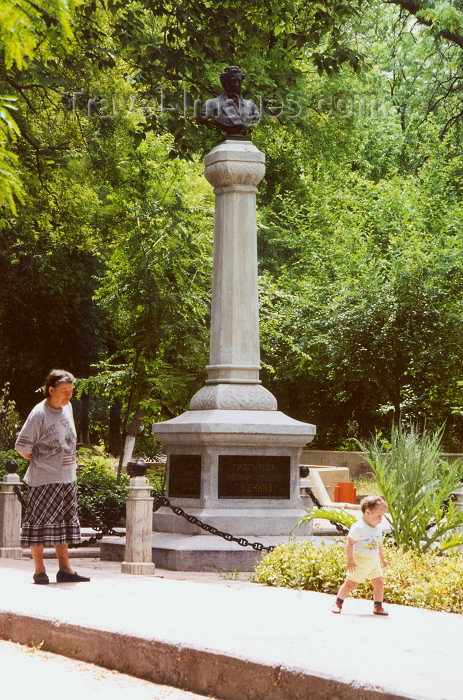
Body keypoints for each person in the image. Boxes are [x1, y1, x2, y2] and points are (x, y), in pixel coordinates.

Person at [15, 369, 90, 584]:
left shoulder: (68, 408)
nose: (68, 396)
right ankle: (39, 570)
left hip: (67, 476)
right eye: (64, 391)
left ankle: (65, 569)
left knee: (63, 524)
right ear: (50, 390)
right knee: (37, 524)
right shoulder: (39, 413)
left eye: (71, 391)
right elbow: (22, 448)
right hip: (44, 478)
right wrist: (44, 461)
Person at [332, 495, 388, 615]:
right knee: (350, 584)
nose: (381, 519)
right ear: (368, 512)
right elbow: (350, 543)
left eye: (382, 516)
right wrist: (350, 560)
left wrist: (382, 558)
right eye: (379, 515)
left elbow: (378, 544)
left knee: (379, 583)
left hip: (373, 562)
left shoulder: (378, 528)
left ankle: (378, 606)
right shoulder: (358, 527)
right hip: (360, 562)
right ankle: (338, 602)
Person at [200, 65, 260, 137]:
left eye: (239, 81)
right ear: (226, 82)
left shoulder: (251, 105)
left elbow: (256, 118)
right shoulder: (210, 104)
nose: (237, 84)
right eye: (233, 81)